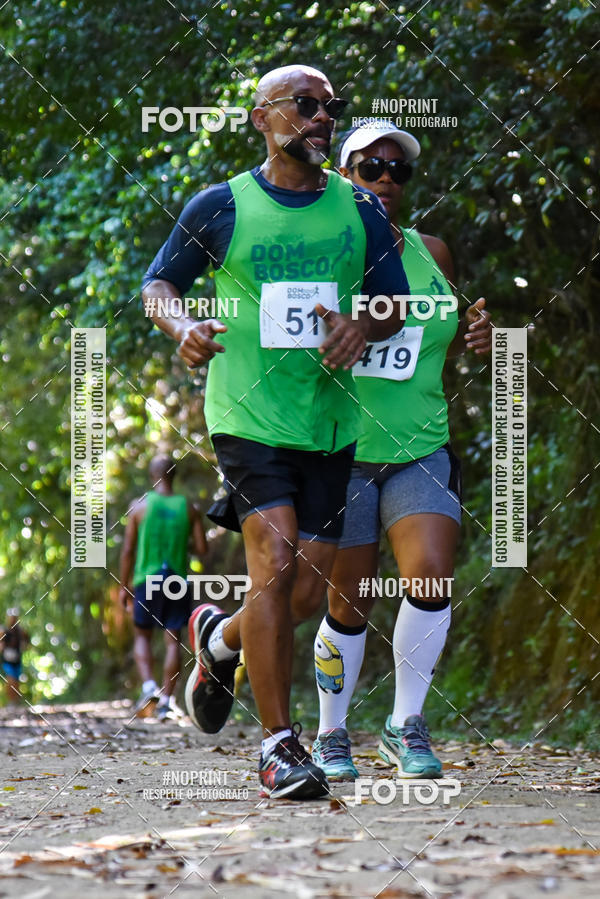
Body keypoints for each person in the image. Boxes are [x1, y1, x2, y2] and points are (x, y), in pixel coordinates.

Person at [141, 65, 410, 799]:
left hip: (329, 419)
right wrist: (183, 324)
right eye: (306, 105)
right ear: (263, 117)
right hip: (247, 416)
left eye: (330, 108)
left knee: (300, 590)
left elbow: (395, 302)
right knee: (278, 553)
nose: (322, 117)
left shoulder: (360, 208)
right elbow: (158, 284)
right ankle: (279, 745)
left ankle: (219, 640)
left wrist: (362, 323)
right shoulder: (222, 206)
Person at [311, 121, 493, 782]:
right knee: (346, 601)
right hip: (342, 451)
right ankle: (332, 734)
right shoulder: (321, 251)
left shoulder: (433, 253)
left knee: (432, 576)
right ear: (342, 174)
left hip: (421, 446)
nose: (387, 178)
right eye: (370, 167)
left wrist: (483, 340)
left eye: (399, 170)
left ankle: (404, 722)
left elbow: (443, 334)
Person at [119, 454, 208, 720]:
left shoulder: (140, 506)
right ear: (173, 476)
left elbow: (128, 551)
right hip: (177, 580)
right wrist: (182, 545)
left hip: (147, 579)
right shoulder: (188, 507)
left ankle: (149, 688)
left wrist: (124, 586)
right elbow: (203, 549)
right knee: (173, 641)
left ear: (152, 476)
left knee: (142, 635)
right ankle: (167, 700)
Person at [1, 609, 29, 704]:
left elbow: (26, 641)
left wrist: (24, 645)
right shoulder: (4, 631)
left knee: (16, 680)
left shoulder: (20, 632)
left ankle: (15, 701)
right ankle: (11, 700)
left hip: (17, 660)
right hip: (7, 661)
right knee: (10, 679)